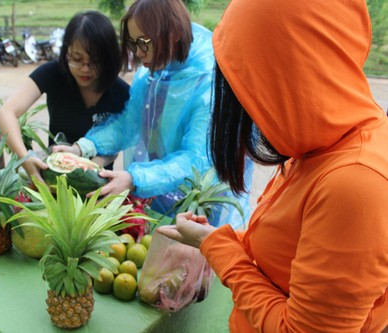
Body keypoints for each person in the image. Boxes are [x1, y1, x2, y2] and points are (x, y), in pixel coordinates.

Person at [157, 0, 388, 331]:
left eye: (251, 89)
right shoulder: (319, 141)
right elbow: (288, 255)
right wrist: (216, 238)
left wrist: (219, 248)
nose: (248, 110)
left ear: (290, 75)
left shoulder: (356, 185)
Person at [53, 0, 254, 229]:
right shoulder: (153, 71)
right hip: (157, 198)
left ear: (172, 33)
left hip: (206, 212)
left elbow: (197, 160)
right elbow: (128, 125)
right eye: (132, 43)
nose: (138, 52)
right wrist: (83, 147)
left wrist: (135, 179)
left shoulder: (209, 81)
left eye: (143, 42)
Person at [0, 10, 130, 181]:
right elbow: (6, 113)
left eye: (95, 61)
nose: (85, 69)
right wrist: (25, 158)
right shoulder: (52, 73)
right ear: (66, 52)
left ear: (109, 57)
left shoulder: (122, 93)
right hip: (52, 179)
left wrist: (90, 167)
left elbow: (115, 143)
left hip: (98, 183)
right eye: (76, 58)